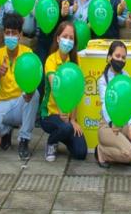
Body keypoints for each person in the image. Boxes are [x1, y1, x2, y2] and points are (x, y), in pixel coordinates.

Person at [0, 13, 39, 160]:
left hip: (22, 101)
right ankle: (6, 131)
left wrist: (29, 90)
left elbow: (33, 78)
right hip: (4, 102)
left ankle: (24, 140)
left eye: (13, 33)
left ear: (20, 35)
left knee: (35, 94)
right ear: (3, 34)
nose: (10, 36)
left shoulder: (27, 53)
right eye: (7, 33)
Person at [95, 41, 131, 167]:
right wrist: (111, 123)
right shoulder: (103, 80)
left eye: (123, 57)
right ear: (109, 57)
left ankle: (122, 152)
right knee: (129, 155)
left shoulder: (126, 77)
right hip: (108, 126)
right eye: (117, 56)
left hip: (123, 123)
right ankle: (102, 152)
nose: (120, 60)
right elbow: (105, 105)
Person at [40, 22, 88, 162]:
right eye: (65, 36)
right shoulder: (51, 60)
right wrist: (61, 109)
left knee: (81, 153)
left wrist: (73, 120)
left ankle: (63, 133)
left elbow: (76, 92)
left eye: (71, 38)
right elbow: (55, 86)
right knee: (66, 127)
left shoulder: (75, 61)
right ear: (58, 38)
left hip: (68, 117)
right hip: (50, 114)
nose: (68, 40)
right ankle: (51, 142)